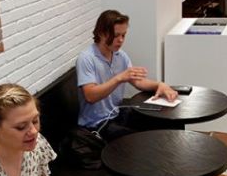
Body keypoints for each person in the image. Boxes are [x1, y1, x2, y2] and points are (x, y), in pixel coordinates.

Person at [76, 10, 178, 141]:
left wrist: (160, 85)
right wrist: (119, 78)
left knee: (164, 122)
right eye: (116, 35)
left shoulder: (120, 55)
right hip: (97, 124)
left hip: (116, 114)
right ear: (101, 33)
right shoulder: (86, 58)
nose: (121, 40)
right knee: (138, 139)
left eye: (123, 35)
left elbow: (138, 82)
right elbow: (90, 96)